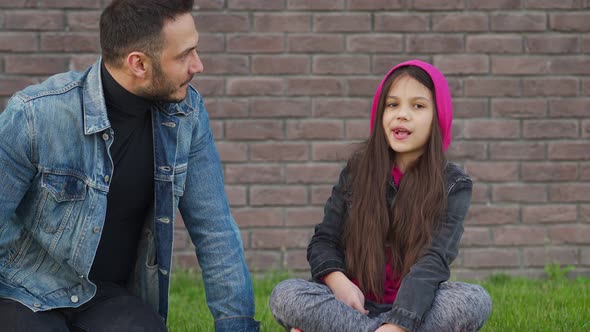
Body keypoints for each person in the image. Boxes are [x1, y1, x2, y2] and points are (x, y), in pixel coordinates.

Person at [0, 0, 259, 331]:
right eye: (184, 55)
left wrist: (237, 327)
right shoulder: (36, 115)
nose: (199, 65)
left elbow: (215, 230)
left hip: (107, 298)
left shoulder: (186, 116)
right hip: (25, 292)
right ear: (138, 63)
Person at [269, 60, 492, 332]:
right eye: (392, 104)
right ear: (380, 113)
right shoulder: (357, 170)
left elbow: (434, 262)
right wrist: (339, 283)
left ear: (438, 116)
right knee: (287, 295)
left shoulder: (454, 184)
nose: (402, 115)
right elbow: (324, 240)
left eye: (418, 106)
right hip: (353, 305)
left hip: (414, 309)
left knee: (473, 300)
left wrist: (397, 325)